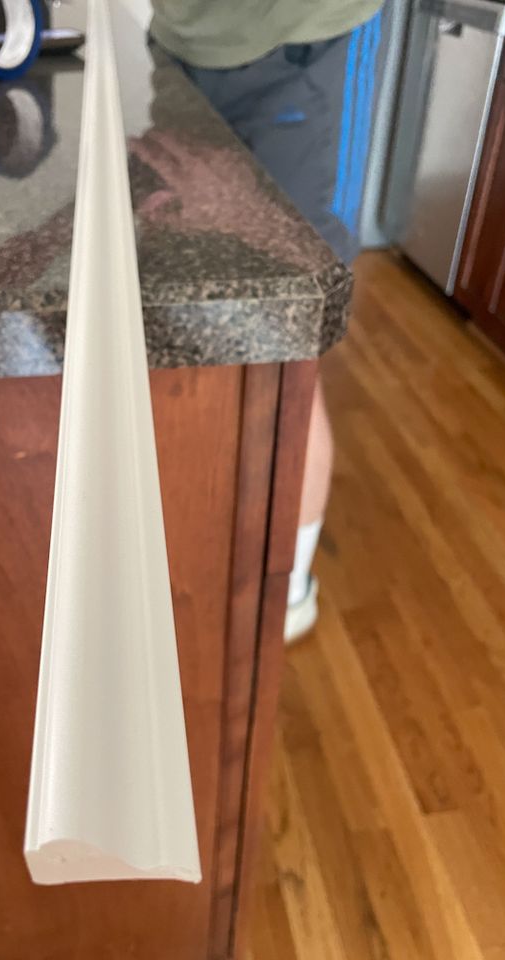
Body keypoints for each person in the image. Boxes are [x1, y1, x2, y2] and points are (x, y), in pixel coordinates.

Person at [147, 0, 387, 642]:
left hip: (306, 36)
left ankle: (288, 596)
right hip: (186, 40)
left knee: (286, 333)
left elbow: (317, 283)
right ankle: (215, 528)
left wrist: (245, 210)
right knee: (205, 295)